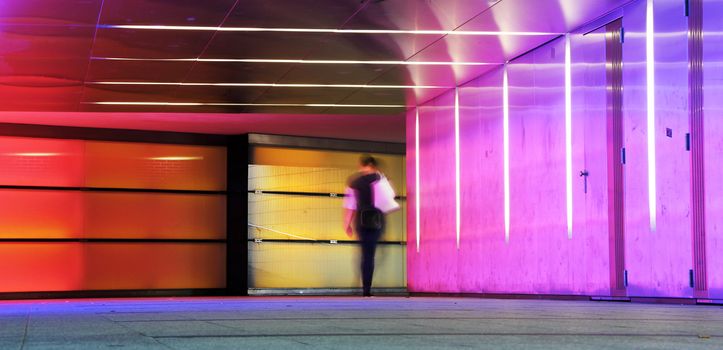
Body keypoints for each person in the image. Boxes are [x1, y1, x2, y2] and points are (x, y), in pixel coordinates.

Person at [343, 154, 399, 297]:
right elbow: (390, 198)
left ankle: (365, 289)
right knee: (371, 255)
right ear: (374, 165)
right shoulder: (382, 179)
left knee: (365, 255)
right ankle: (367, 288)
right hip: (377, 220)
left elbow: (350, 206)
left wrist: (347, 224)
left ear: (361, 165)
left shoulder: (354, 182)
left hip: (361, 221)